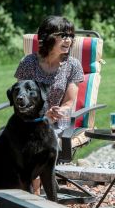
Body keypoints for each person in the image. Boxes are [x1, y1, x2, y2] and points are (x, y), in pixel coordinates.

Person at [14, 15, 84, 194]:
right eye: (63, 35)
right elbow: (20, 97)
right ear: (48, 37)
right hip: (28, 121)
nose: (68, 40)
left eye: (71, 36)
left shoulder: (72, 65)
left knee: (33, 147)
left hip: (56, 123)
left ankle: (32, 195)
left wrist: (61, 111)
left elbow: (69, 102)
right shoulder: (29, 63)